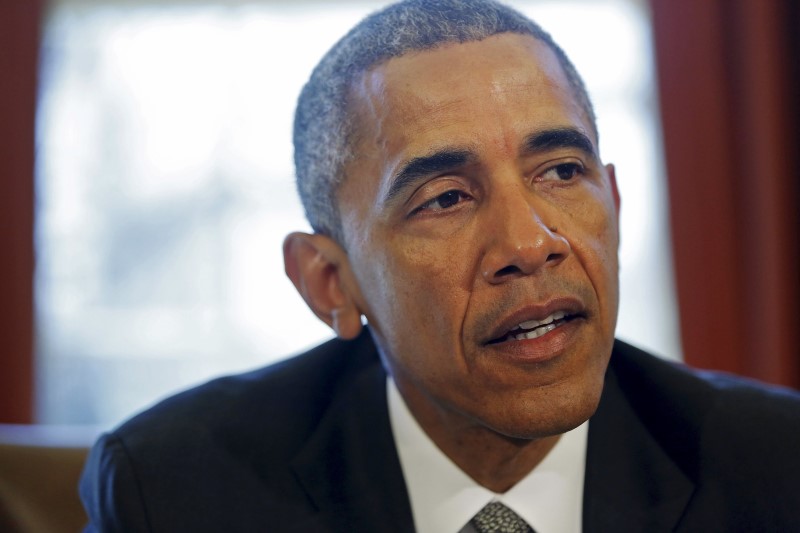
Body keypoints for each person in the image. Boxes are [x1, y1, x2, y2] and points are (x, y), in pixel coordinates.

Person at [80, 0, 800, 531]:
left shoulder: (773, 470)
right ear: (329, 282)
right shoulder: (176, 491)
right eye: (446, 197)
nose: (530, 243)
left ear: (612, 200)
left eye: (559, 171)